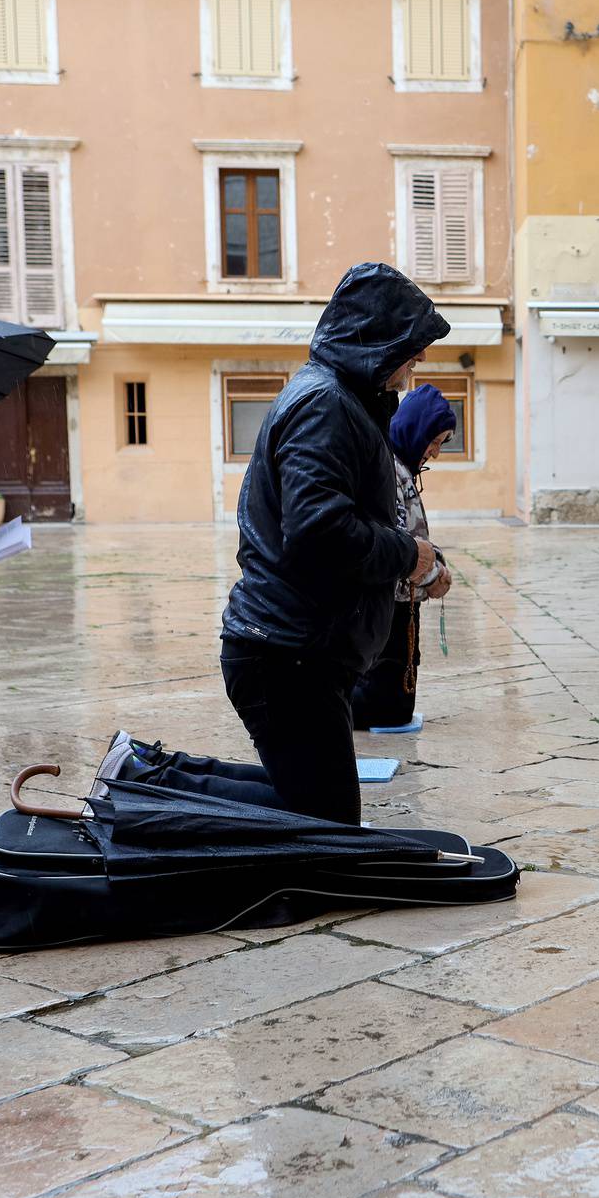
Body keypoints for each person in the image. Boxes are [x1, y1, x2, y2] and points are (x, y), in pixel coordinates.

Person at [217, 262, 448, 824]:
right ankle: (146, 783)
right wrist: (410, 556)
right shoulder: (325, 404)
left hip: (301, 650)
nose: (418, 360)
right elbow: (318, 530)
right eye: (412, 346)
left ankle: (151, 776)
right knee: (324, 821)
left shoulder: (346, 400)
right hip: (288, 652)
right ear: (377, 339)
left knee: (312, 803)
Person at [352, 383, 457, 730]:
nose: (435, 453)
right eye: (435, 441)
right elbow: (395, 542)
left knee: (398, 692)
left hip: (402, 599)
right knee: (388, 702)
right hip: (389, 599)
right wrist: (432, 578)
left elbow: (414, 534)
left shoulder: (402, 469)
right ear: (416, 429)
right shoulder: (388, 471)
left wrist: (436, 563)